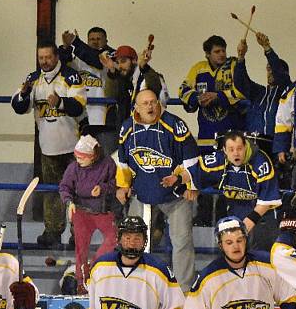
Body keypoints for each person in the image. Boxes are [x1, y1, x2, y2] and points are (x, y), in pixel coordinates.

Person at [116, 88, 199, 291]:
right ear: (136, 107)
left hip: (175, 196)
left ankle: (184, 291)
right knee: (135, 240)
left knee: (182, 242)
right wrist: (123, 185)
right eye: (145, 103)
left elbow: (190, 157)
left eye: (153, 102)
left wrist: (190, 185)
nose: (150, 106)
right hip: (143, 195)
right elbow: (123, 162)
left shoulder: (175, 125)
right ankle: (137, 285)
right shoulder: (127, 128)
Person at [12, 41, 86, 247]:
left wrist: (60, 102)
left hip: (74, 147)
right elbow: (18, 107)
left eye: (48, 57)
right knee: (51, 191)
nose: (44, 61)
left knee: (77, 192)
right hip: (48, 147)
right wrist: (25, 94)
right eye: (41, 58)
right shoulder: (33, 79)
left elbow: (79, 107)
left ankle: (78, 232)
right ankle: (52, 231)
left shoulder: (71, 77)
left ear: (56, 57)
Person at [191, 130, 281, 251]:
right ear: (224, 150)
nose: (236, 153)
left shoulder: (260, 162)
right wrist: (188, 185)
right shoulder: (220, 160)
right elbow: (193, 172)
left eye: (239, 148)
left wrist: (248, 223)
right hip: (236, 211)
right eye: (231, 149)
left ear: (245, 147)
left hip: (262, 217)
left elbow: (267, 199)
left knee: (261, 255)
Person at [59, 135, 118, 294]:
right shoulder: (73, 168)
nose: (79, 160)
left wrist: (103, 188)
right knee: (81, 249)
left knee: (114, 238)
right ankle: (81, 284)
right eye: (77, 157)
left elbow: (115, 183)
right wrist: (69, 202)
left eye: (83, 157)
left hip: (102, 210)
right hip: (81, 211)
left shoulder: (108, 164)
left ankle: (95, 266)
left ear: (93, 156)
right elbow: (64, 187)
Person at [179, 35, 247, 150]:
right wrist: (197, 98)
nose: (221, 54)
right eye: (217, 51)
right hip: (206, 135)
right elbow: (183, 89)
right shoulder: (199, 68)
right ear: (207, 54)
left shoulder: (233, 65)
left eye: (223, 51)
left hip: (232, 136)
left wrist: (218, 96)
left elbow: (242, 91)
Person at [60, 27, 118, 155]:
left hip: (105, 120)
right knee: (85, 159)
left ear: (106, 40)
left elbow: (96, 60)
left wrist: (75, 42)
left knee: (108, 158)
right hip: (82, 119)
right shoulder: (80, 56)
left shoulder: (111, 56)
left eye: (99, 39)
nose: (95, 42)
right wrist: (66, 47)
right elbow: (61, 65)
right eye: (91, 39)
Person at [233, 32, 293, 155]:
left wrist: (267, 48)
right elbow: (240, 82)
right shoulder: (259, 92)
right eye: (268, 69)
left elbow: (279, 73)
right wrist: (241, 57)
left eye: (272, 69)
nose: (270, 72)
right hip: (252, 147)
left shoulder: (286, 91)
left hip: (276, 148)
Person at [101, 43, 169, 133]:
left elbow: (155, 88)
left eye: (123, 61)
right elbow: (110, 95)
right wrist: (112, 71)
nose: (120, 66)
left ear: (134, 61)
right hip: (127, 132)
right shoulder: (122, 79)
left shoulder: (148, 76)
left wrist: (144, 67)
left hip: (149, 130)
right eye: (117, 62)